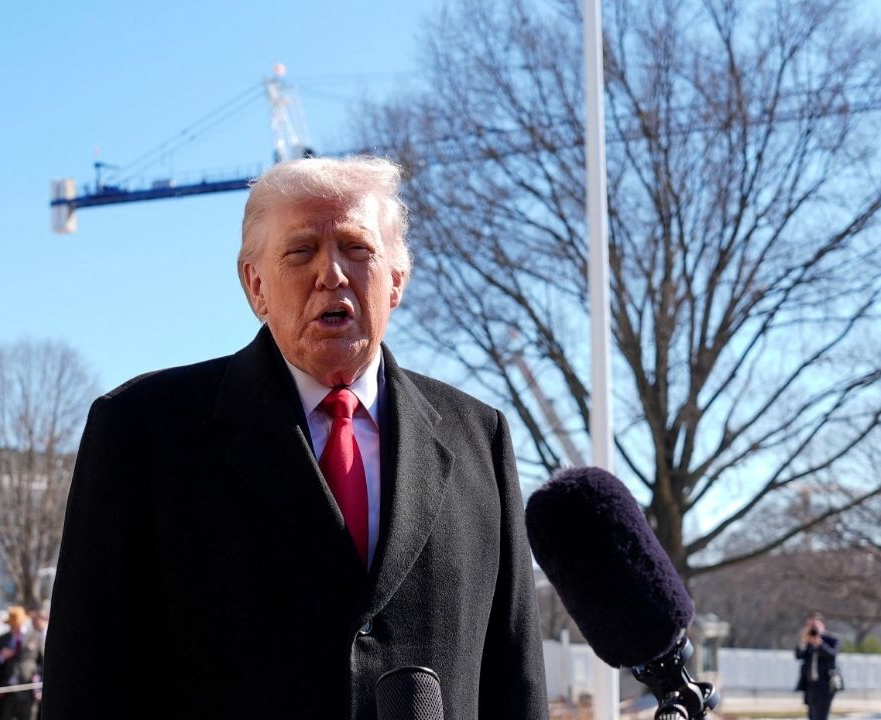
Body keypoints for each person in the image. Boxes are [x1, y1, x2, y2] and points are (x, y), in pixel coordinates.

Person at [43, 156, 548, 719]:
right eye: (300, 251)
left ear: (397, 281)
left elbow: (515, 680)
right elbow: (85, 682)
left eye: (357, 248)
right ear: (255, 285)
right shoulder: (142, 431)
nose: (331, 273)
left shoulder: (480, 436)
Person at [0, 607, 43, 720]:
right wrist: (2, 656)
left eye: (16, 624)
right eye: (12, 625)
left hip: (27, 688)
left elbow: (42, 662)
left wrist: (39, 687)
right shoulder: (4, 638)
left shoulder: (35, 637)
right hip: (7, 689)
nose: (14, 627)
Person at [795, 612, 839, 720]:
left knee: (821, 716)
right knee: (812, 715)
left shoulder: (831, 639)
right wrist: (803, 641)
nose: (812, 628)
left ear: (822, 624)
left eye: (815, 625)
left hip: (825, 684)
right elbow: (799, 655)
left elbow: (832, 655)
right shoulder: (808, 640)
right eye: (810, 626)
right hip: (810, 684)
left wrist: (818, 643)